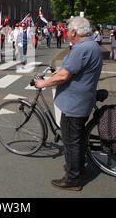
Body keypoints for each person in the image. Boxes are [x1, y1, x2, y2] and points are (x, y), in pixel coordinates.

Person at [35, 17, 103, 191]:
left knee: (71, 141)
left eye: (67, 30)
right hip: (82, 100)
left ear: (74, 32)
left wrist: (43, 83)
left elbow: (64, 76)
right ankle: (77, 168)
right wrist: (60, 70)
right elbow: (72, 69)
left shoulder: (82, 48)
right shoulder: (92, 45)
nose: (66, 33)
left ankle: (73, 179)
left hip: (75, 103)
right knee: (77, 138)